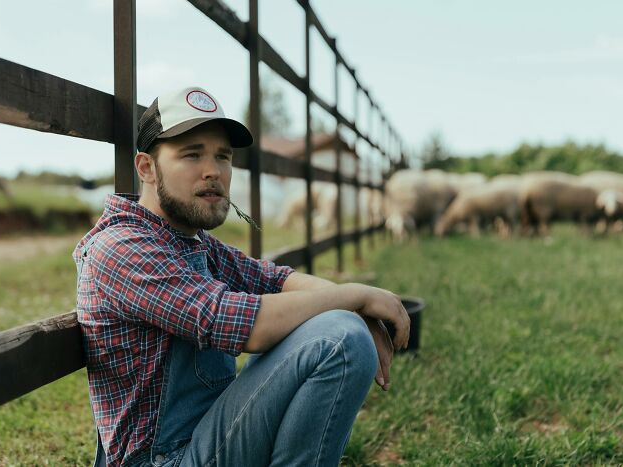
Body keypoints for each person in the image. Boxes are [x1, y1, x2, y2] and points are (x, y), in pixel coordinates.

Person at [73, 86, 411, 467]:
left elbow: (276, 280)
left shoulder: (193, 243)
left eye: (223, 156)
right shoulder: (122, 248)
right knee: (340, 339)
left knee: (342, 324)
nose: (213, 171)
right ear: (147, 168)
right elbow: (239, 323)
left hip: (203, 440)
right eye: (192, 154)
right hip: (160, 459)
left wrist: (357, 307)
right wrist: (355, 297)